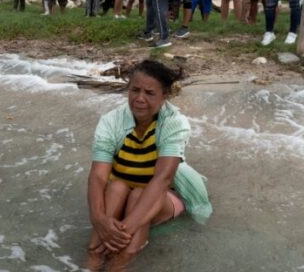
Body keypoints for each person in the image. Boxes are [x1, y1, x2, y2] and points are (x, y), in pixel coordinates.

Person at [86, 60, 212, 271]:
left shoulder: (173, 123)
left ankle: (121, 261)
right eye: (135, 90)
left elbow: (163, 179)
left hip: (163, 197)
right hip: (121, 193)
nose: (140, 99)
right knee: (116, 187)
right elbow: (98, 176)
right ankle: (92, 259)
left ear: (164, 96)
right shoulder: (111, 121)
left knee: (138, 197)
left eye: (149, 93)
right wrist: (99, 220)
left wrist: (121, 234)